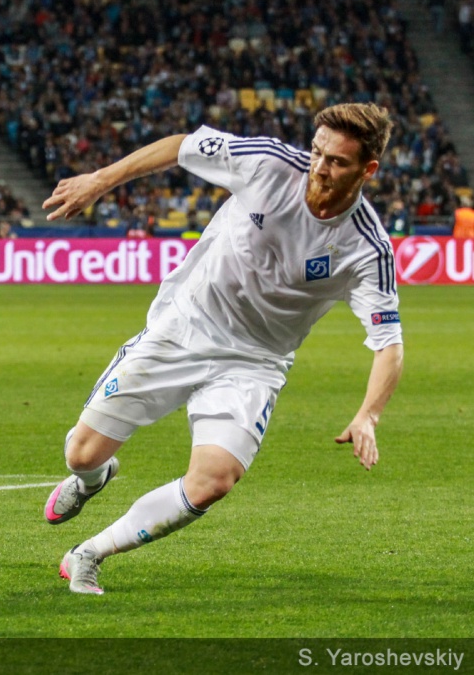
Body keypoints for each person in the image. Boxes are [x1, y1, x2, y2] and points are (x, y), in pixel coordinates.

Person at [41, 103, 404, 595]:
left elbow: (389, 344)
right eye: (317, 151)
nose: (319, 167)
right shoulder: (268, 163)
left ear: (368, 169)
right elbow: (180, 146)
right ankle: (91, 479)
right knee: (81, 454)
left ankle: (89, 553)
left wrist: (368, 416)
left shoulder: (367, 248)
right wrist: (99, 180)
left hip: (254, 362)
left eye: (337, 161)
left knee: (213, 480)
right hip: (186, 325)